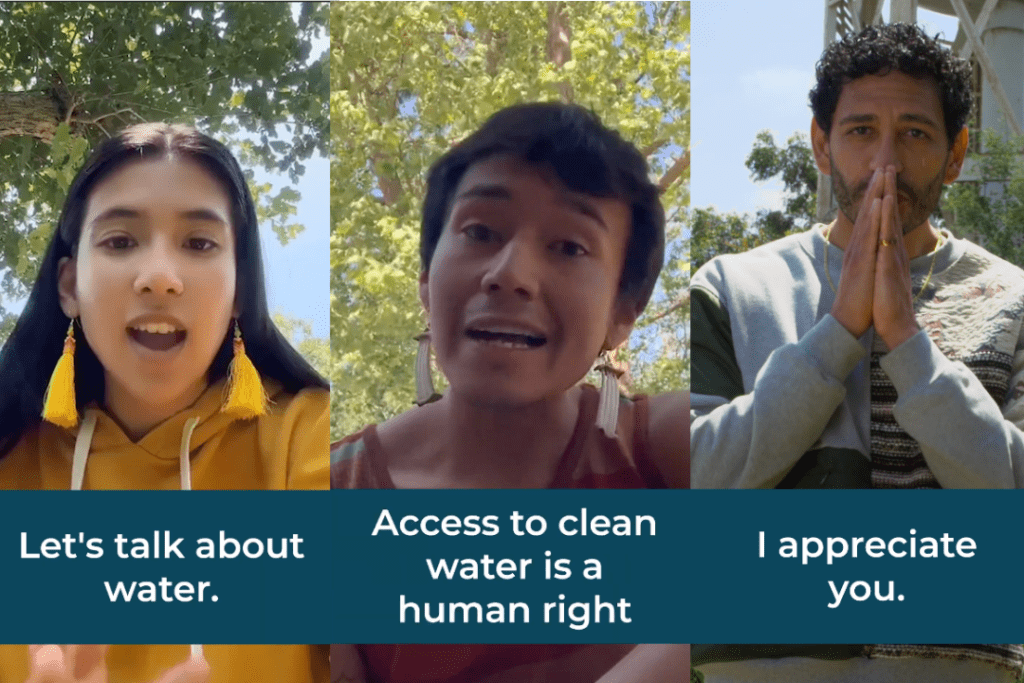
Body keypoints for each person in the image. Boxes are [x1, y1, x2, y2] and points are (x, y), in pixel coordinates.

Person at [690, 23, 1024, 682]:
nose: (885, 163)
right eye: (861, 130)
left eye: (916, 134)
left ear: (956, 154)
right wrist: (838, 331)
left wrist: (908, 346)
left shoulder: (1012, 298)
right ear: (821, 143)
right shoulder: (731, 287)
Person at [330, 103, 688, 681]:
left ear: (624, 312)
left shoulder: (660, 450)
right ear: (425, 279)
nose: (510, 272)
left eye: (569, 246)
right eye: (479, 231)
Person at [0, 124, 330, 681]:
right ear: (69, 286)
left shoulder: (309, 438)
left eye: (199, 243)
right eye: (120, 241)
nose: (159, 278)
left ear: (239, 291)